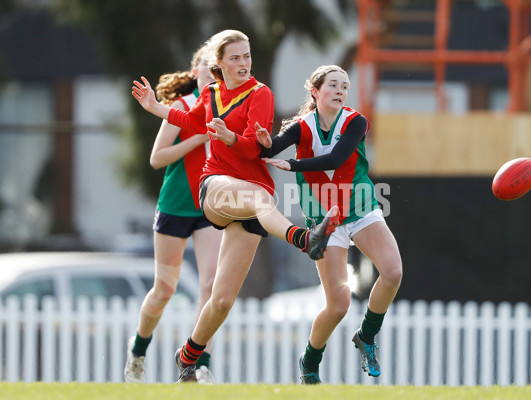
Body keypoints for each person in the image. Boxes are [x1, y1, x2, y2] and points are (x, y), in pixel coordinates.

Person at [131, 30, 340, 383]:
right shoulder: (211, 93)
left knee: (223, 299)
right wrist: (156, 107)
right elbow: (193, 121)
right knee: (261, 199)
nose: (244, 63)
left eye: (246, 56)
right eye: (235, 58)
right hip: (215, 187)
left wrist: (231, 137)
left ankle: (188, 355)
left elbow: (254, 149)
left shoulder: (261, 94)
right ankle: (304, 240)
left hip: (253, 196)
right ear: (220, 64)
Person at [257, 65, 403, 384]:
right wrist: (263, 142)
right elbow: (267, 151)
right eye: (333, 85)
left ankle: (367, 335)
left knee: (392, 272)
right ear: (315, 91)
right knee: (338, 304)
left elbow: (337, 159)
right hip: (324, 219)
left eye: (344, 86)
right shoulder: (301, 126)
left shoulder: (356, 121)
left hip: (360, 208)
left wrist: (292, 164)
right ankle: (310, 361)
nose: (340, 91)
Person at [124, 45, 222, 384]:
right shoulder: (182, 106)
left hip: (210, 207)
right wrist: (196, 139)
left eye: (218, 68)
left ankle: (198, 362)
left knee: (211, 285)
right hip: (175, 206)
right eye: (208, 68)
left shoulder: (228, 106)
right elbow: (157, 158)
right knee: (165, 290)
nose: (214, 74)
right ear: (196, 72)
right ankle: (138, 350)